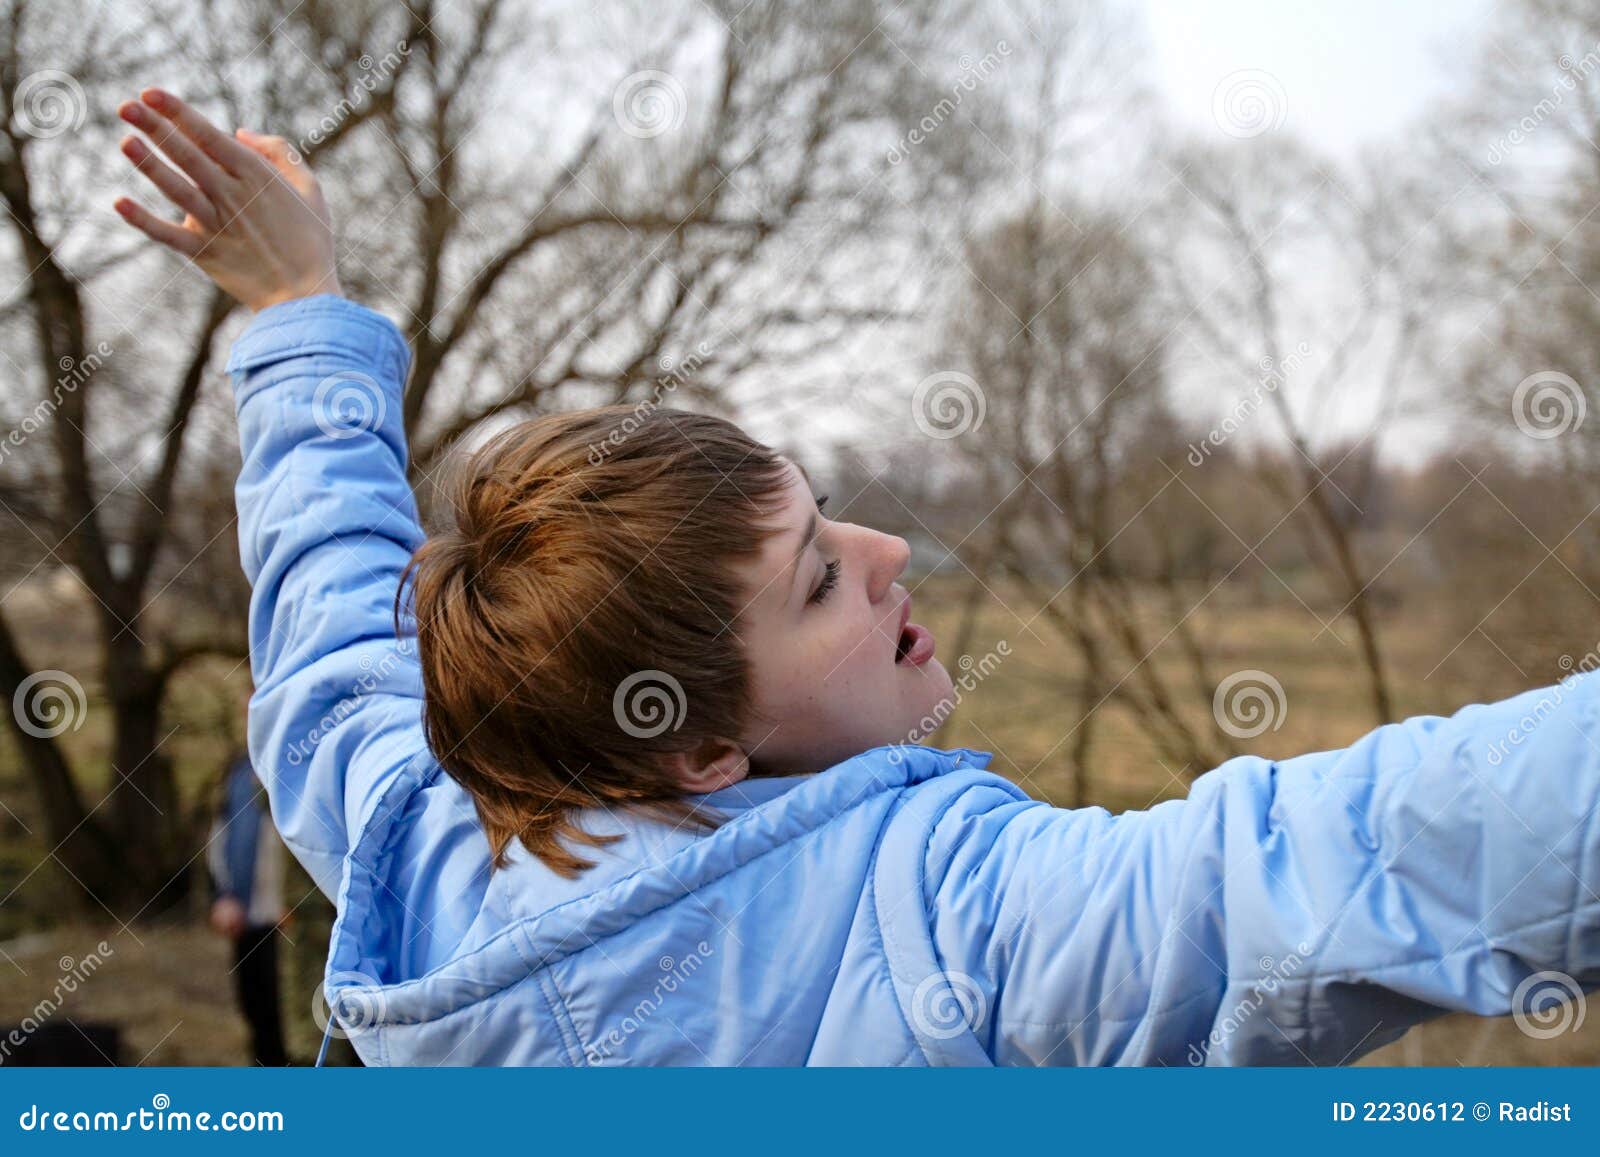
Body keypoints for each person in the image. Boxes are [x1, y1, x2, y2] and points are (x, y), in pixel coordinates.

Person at [111, 87, 1600, 1066]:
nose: (888, 558)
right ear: (694, 741)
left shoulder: (418, 860)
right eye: (818, 579)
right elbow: (1315, 866)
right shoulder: (939, 924)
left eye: (831, 523)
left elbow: (326, 629)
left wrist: (296, 311)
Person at [205, 745, 289, 1067]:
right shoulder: (239, 772)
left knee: (296, 1028)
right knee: (257, 1016)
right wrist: (222, 897)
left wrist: (296, 904)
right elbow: (219, 836)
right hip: (246, 921)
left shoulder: (302, 763)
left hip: (293, 926)